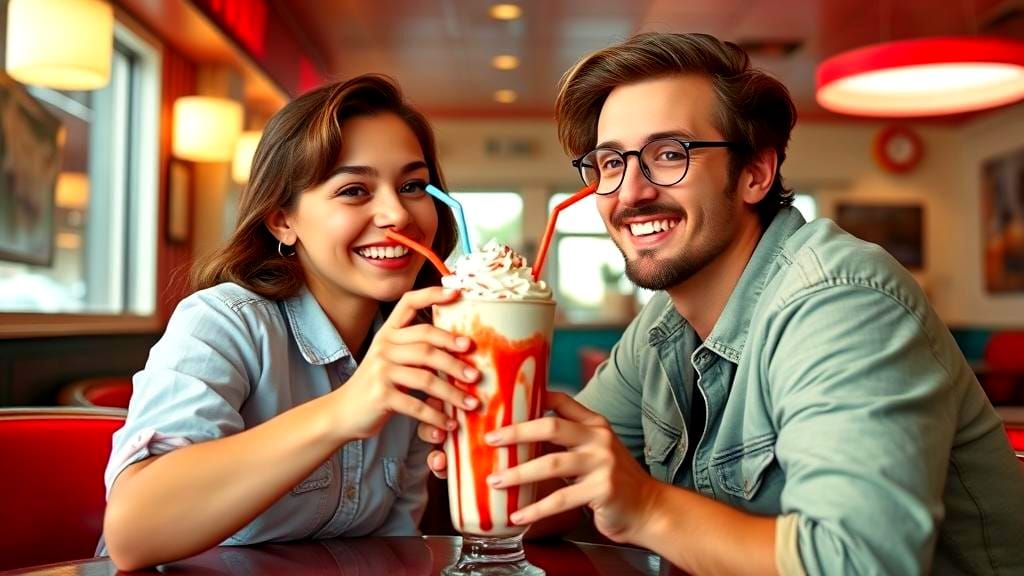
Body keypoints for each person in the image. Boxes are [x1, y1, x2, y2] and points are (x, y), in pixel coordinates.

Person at [421, 33, 1024, 574]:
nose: (631, 191)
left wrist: (646, 505)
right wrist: (497, 464)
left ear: (755, 173)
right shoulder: (661, 327)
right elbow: (568, 497)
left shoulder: (842, 301)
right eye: (610, 162)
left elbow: (861, 563)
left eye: (669, 154)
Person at [100, 75, 483, 571]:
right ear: (283, 220)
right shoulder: (223, 322)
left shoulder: (417, 349)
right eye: (353, 190)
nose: (396, 214)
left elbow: (393, 548)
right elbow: (133, 531)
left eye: (412, 186)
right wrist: (343, 409)